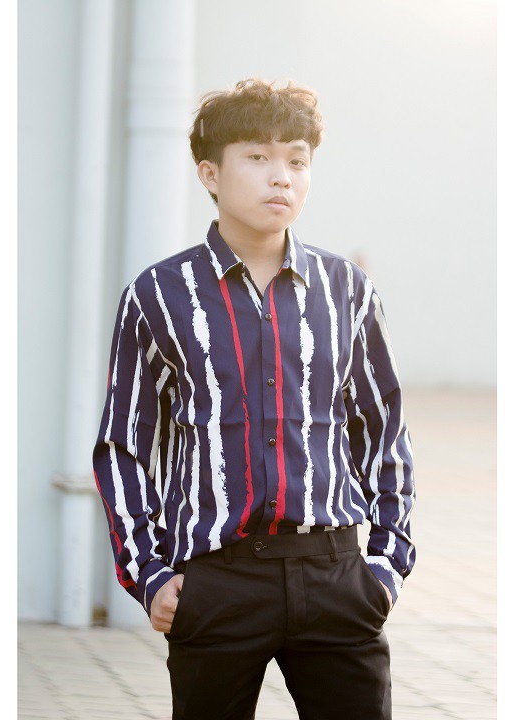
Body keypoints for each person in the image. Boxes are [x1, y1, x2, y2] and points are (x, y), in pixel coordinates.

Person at [92, 78, 416, 720]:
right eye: (258, 157)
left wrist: (385, 567)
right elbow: (124, 446)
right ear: (210, 173)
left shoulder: (347, 291)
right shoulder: (158, 296)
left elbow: (384, 432)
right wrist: (149, 575)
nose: (281, 177)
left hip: (335, 576)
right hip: (217, 581)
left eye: (297, 160)